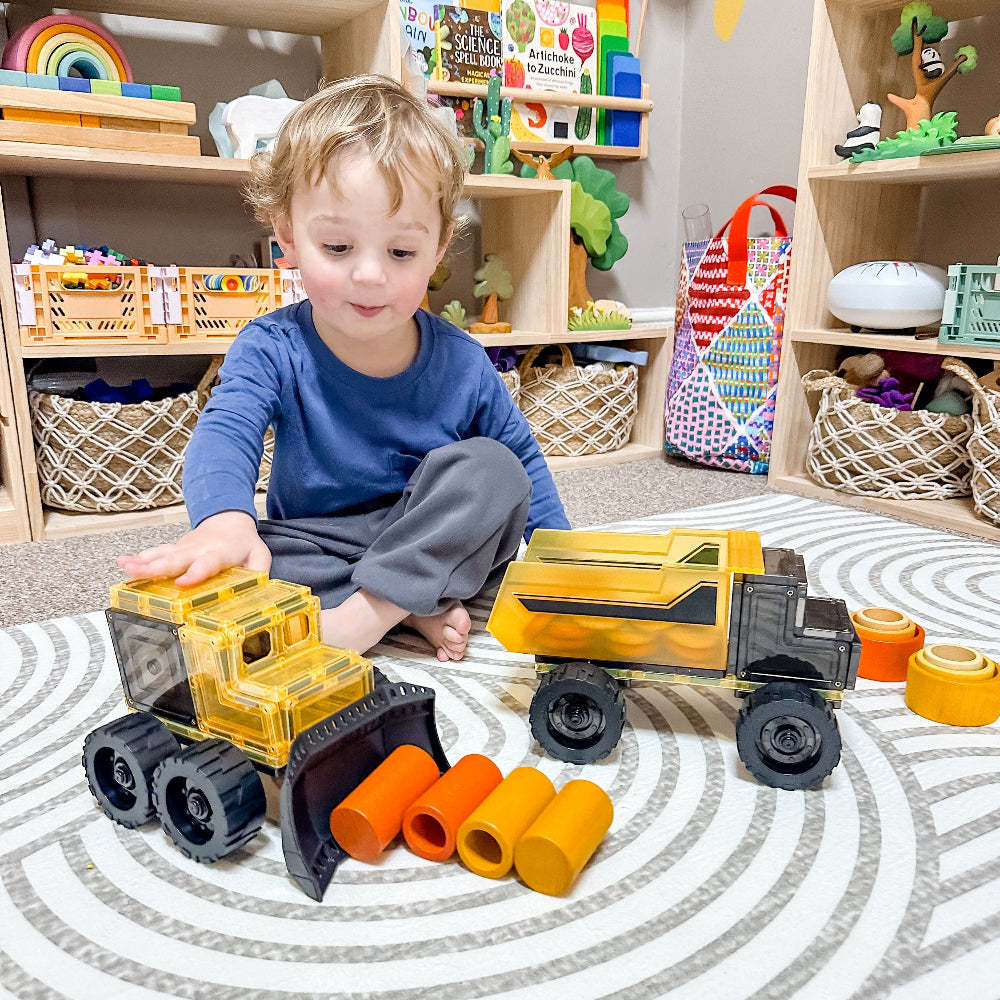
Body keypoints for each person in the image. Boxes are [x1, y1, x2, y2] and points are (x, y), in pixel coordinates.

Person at [118, 74, 570, 662]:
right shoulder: (271, 345)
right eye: (337, 248)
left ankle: (372, 614)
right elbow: (225, 432)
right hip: (318, 543)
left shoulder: (461, 358)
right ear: (288, 239)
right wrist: (226, 521)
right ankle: (415, 603)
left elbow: (523, 465)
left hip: (424, 528)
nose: (370, 275)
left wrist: (565, 560)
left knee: (496, 472)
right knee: (252, 561)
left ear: (436, 252)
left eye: (401, 252)